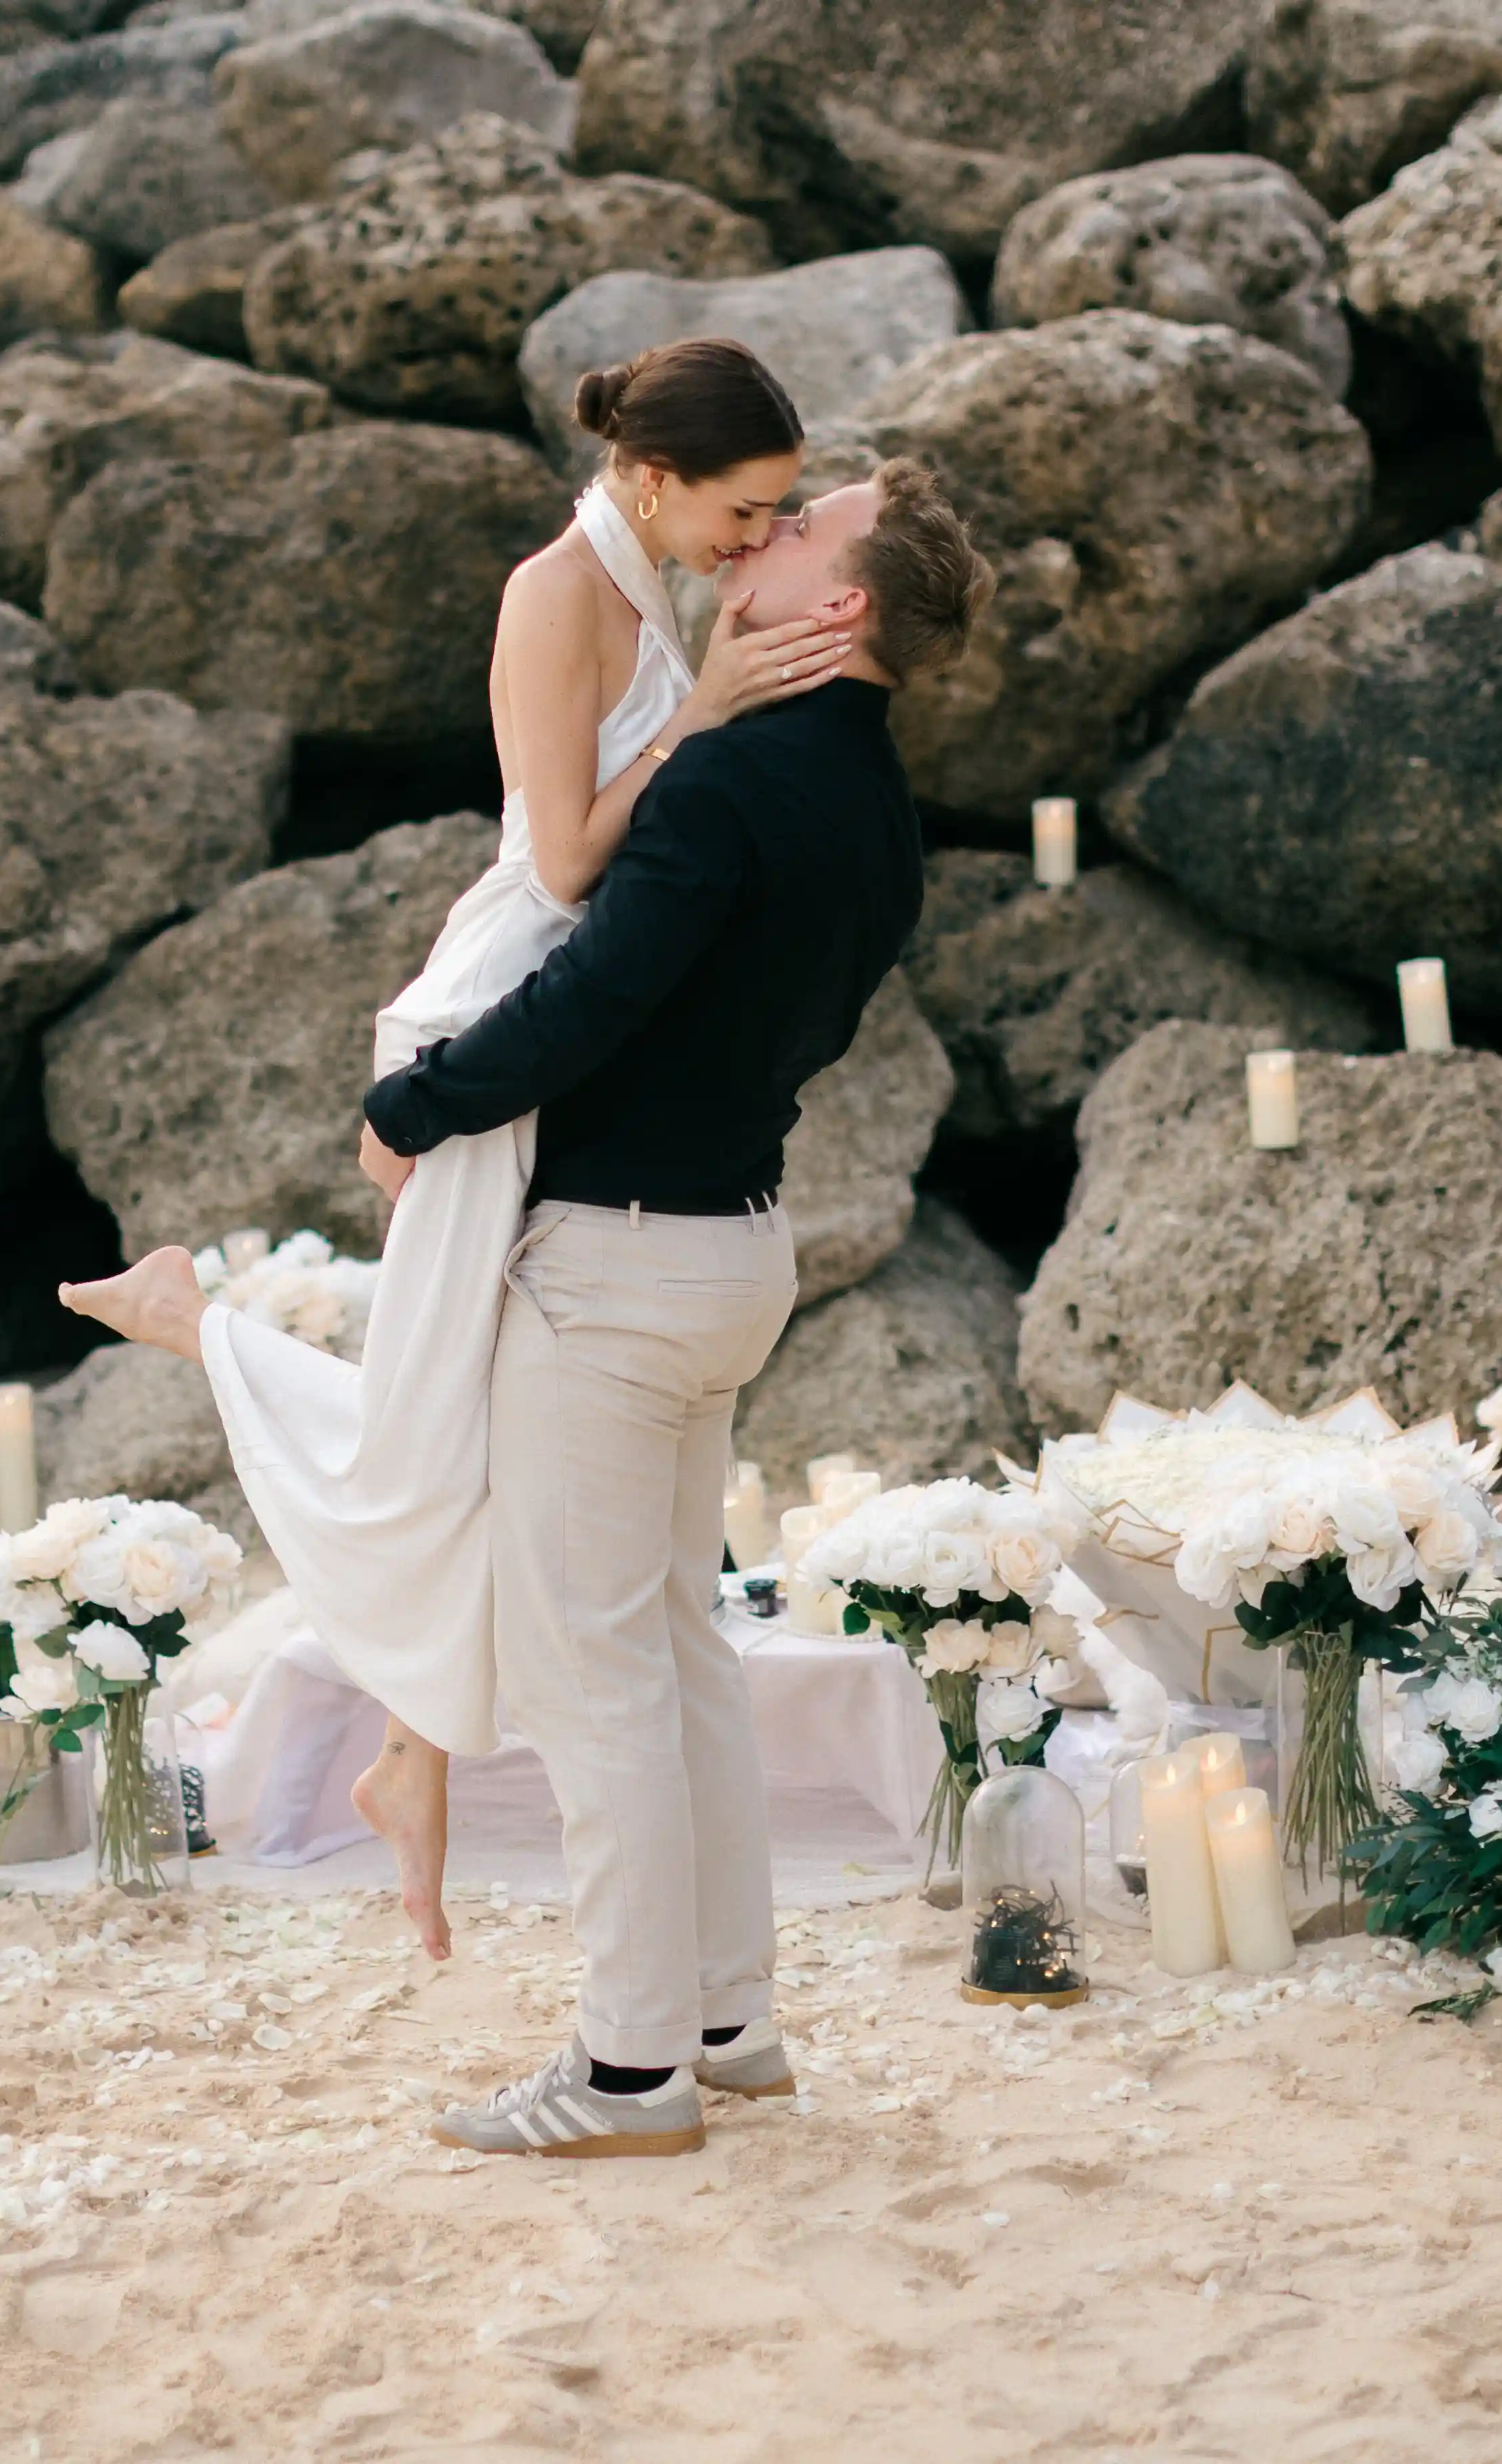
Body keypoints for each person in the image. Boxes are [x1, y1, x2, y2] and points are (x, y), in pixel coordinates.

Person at [58, 341, 849, 1957]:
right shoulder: (561, 592)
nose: (758, 542)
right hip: (499, 1014)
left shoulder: (662, 571)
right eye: (745, 509)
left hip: (564, 1015)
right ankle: (189, 1319)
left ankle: (410, 1762)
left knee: (487, 1426)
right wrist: (703, 711)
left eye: (783, 516)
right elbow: (563, 853)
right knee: (429, 1432)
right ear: (652, 477)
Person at [367, 461, 995, 2157]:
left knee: (597, 1680)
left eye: (805, 528)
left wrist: (413, 1107)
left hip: (618, 1269)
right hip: (732, 1249)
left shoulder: (728, 784)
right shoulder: (874, 804)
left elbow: (590, 997)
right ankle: (731, 2022)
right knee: (676, 1647)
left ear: (842, 605)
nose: (766, 533)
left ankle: (631, 2070)